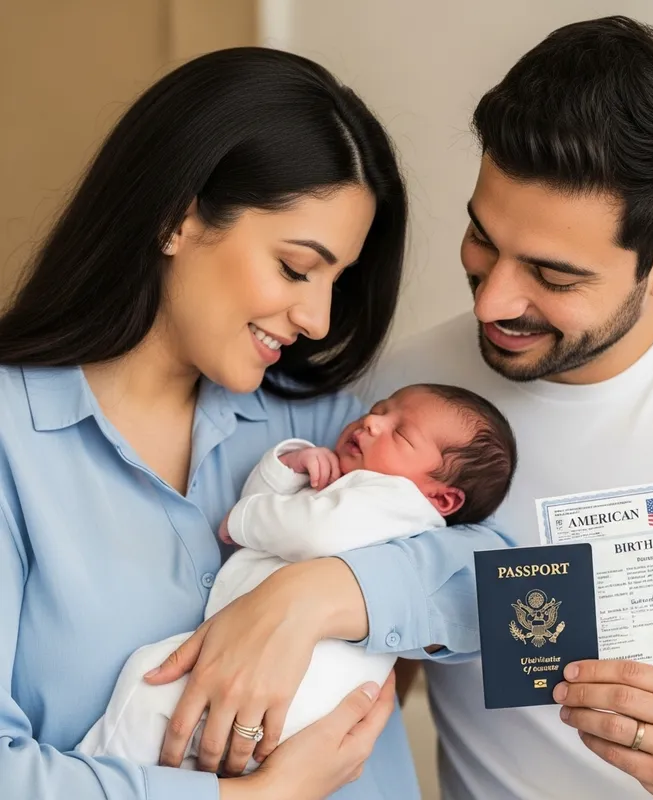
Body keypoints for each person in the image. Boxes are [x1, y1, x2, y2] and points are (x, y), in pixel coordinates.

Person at [0, 47, 508, 800]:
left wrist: (318, 596)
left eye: (340, 280)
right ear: (177, 217)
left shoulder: (336, 420)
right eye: (298, 268)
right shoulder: (15, 442)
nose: (318, 317)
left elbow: (532, 606)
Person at [363, 15, 653, 800]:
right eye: (481, 236)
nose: (494, 299)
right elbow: (376, 667)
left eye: (553, 276)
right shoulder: (401, 397)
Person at [78, 383, 516, 771]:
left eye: (400, 433)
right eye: (380, 409)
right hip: (298, 711)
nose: (372, 423)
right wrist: (291, 464)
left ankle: (95, 767)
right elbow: (288, 514)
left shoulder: (396, 500)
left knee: (147, 680)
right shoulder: (356, 488)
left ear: (442, 498)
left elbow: (314, 530)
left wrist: (245, 519)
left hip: (303, 687)